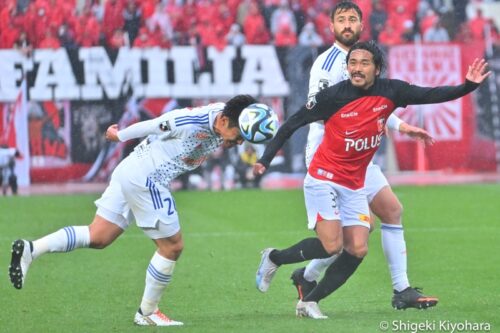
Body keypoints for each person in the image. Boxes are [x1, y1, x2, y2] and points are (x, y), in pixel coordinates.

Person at [254, 41, 490, 319]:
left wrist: (467, 87)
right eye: (352, 63)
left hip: (355, 181)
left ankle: (310, 301)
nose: (356, 68)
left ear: (377, 69)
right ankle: (274, 258)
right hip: (324, 177)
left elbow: (431, 94)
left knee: (358, 248)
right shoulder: (332, 97)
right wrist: (265, 159)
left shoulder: (392, 91)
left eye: (363, 63)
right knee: (332, 245)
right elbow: (292, 123)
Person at [9, 95, 256, 326]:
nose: (239, 141)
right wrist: (120, 135)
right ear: (223, 121)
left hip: (131, 171)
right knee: (172, 246)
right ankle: (147, 312)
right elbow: (157, 123)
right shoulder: (190, 121)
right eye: (238, 134)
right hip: (147, 178)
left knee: (99, 236)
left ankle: (31, 250)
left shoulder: (225, 116)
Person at [280, 1, 438, 312]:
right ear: (332, 27)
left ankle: (400, 289)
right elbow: (324, 110)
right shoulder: (327, 66)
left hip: (358, 155)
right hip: (331, 156)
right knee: (349, 239)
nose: (348, 24)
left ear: (362, 25)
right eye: (342, 20)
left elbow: (375, 100)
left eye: (353, 19)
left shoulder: (364, 57)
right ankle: (304, 274)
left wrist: (399, 124)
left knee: (391, 212)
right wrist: (371, 122)